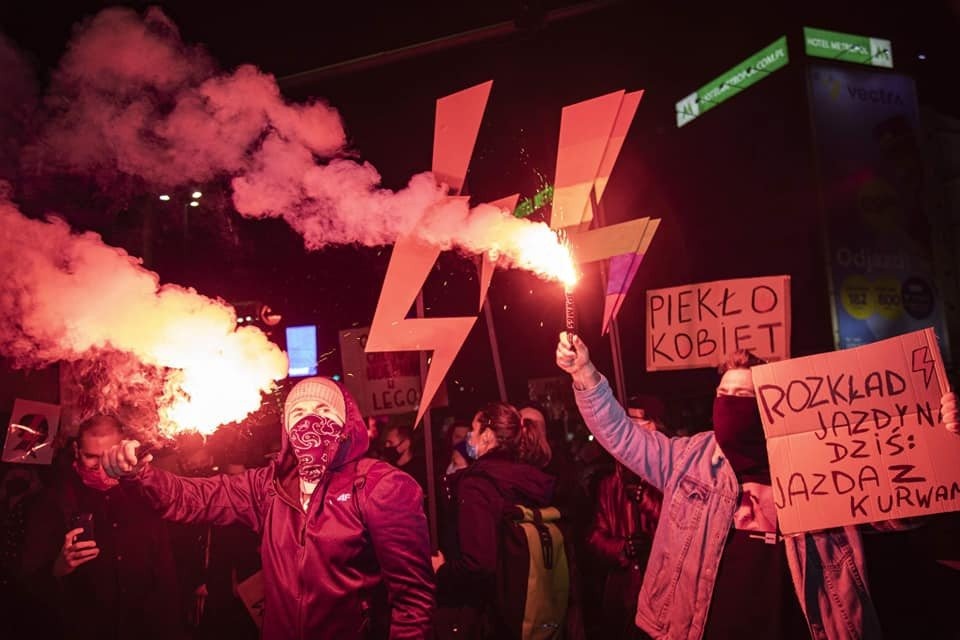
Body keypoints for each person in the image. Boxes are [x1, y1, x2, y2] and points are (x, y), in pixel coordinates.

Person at [556, 334, 960, 640]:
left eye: (744, 395)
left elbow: (900, 516)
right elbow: (620, 434)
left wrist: (946, 443)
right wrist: (585, 374)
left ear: (770, 405)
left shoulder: (823, 460)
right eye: (723, 394)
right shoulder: (689, 458)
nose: (730, 403)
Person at [101, 376, 435, 640]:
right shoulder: (267, 486)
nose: (311, 421)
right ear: (287, 429)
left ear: (346, 424)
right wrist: (140, 475)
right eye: (299, 414)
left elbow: (413, 598)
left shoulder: (380, 485)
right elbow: (191, 497)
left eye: (324, 410)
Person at [20, 414, 181, 640]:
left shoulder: (145, 493)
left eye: (108, 457)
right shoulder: (53, 501)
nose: (101, 467)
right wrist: (58, 568)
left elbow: (165, 573)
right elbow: (27, 584)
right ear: (76, 450)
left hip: (143, 629)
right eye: (91, 457)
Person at [433, 402, 556, 638]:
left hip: (493, 615)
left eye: (473, 429)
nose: (469, 437)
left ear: (487, 436)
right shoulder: (531, 477)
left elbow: (478, 564)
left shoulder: (477, 484)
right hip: (530, 602)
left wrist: (443, 569)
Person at [381, 423, 429, 493]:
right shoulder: (387, 469)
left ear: (405, 444)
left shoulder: (421, 468)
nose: (387, 446)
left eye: (390, 443)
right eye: (386, 443)